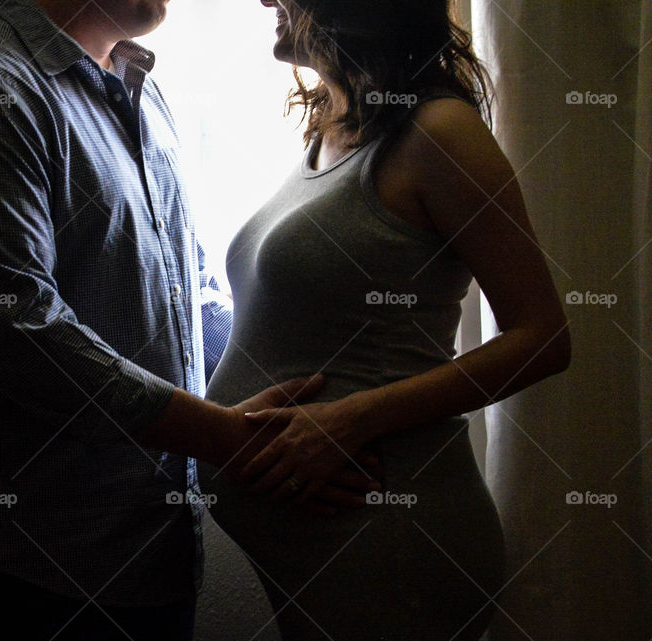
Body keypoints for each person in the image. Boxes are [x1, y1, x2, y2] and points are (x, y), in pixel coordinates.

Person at [0, 0, 379, 639]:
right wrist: (225, 436)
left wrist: (282, 407)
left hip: (144, 553)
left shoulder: (140, 90)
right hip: (24, 568)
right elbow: (23, 335)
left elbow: (191, 291)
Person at [196, 0, 572, 639]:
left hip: (391, 535)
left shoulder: (438, 133)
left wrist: (349, 418)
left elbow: (543, 339)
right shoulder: (331, 128)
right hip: (322, 547)